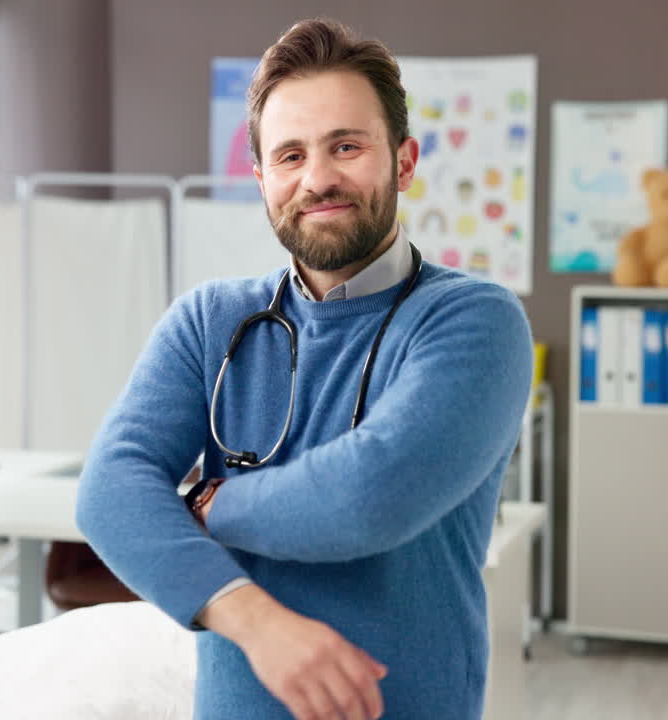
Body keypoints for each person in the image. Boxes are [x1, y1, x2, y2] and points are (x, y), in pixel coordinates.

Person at [76, 17, 532, 720]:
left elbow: (368, 497)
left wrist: (213, 504)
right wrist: (259, 625)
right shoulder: (210, 322)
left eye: (346, 146)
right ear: (262, 179)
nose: (318, 179)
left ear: (404, 161)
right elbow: (109, 492)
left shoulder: (475, 320)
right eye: (290, 156)